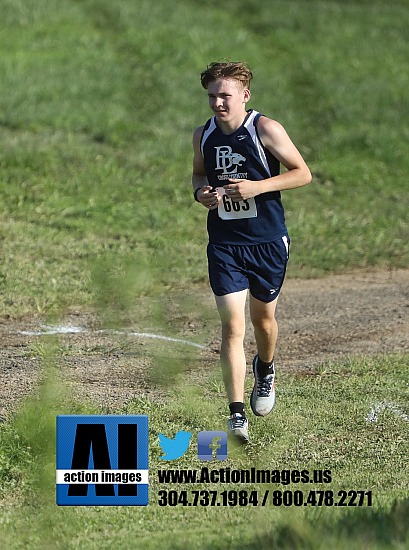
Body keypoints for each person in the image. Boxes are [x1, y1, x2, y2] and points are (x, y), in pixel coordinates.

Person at [192, 61, 312, 443]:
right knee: (232, 327)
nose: (217, 103)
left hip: (267, 242)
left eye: (224, 95)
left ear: (245, 95)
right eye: (212, 95)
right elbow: (198, 174)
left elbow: (302, 173)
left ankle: (266, 368)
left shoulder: (265, 129)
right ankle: (236, 414)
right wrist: (201, 194)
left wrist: (256, 188)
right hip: (225, 244)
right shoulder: (203, 135)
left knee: (263, 323)